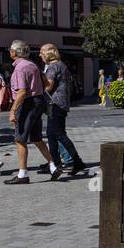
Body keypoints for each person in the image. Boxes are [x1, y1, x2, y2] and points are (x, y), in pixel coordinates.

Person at [3, 40, 61, 185]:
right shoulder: (33, 64)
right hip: (38, 101)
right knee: (36, 138)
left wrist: (12, 110)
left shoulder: (20, 68)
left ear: (14, 52)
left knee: (20, 139)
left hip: (27, 103)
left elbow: (22, 92)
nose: (9, 51)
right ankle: (53, 167)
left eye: (10, 49)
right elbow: (47, 83)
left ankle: (22, 174)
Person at [41, 44, 86, 177]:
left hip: (56, 103)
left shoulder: (53, 66)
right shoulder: (62, 65)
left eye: (42, 52)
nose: (40, 55)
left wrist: (36, 90)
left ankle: (77, 161)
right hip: (60, 103)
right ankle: (55, 163)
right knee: (51, 134)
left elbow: (48, 86)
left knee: (59, 134)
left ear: (48, 53)